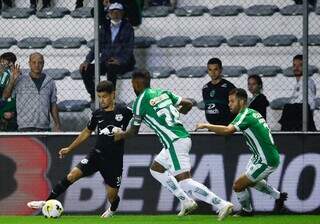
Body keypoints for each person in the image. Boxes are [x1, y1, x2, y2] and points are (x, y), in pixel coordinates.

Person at [114, 69, 234, 221]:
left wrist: (120, 135)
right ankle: (186, 202)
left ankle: (221, 204)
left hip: (173, 142)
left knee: (184, 181)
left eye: (132, 83)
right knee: (156, 169)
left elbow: (133, 132)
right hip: (180, 138)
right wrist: (180, 111)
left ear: (136, 84)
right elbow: (188, 104)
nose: (132, 86)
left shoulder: (139, 102)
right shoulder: (163, 92)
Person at [27, 80, 132, 218]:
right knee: (71, 176)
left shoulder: (124, 111)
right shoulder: (97, 114)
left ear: (113, 95)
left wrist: (125, 132)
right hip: (96, 155)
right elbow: (87, 132)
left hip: (114, 162)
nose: (101, 100)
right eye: (99, 97)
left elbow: (140, 120)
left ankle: (112, 209)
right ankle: (46, 202)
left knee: (112, 196)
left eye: (104, 96)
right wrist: (69, 149)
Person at [196, 88, 288, 216]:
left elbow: (228, 131)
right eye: (229, 101)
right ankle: (279, 197)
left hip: (266, 159)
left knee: (238, 185)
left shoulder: (245, 115)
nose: (229, 104)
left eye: (232, 101)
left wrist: (207, 125)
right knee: (251, 182)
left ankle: (247, 211)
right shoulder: (252, 113)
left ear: (242, 101)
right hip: (260, 156)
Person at [80, 2, 135, 102]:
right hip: (106, 61)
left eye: (118, 11)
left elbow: (129, 48)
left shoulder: (128, 28)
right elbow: (96, 47)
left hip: (123, 62)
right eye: (113, 11)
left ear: (122, 13)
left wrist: (120, 60)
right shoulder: (104, 28)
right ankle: (94, 96)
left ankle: (110, 97)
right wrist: (87, 61)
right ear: (108, 13)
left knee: (112, 68)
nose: (115, 14)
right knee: (85, 70)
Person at [3, 52, 61, 132]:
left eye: (40, 62)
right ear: (29, 64)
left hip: (44, 127)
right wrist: (12, 80)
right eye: (34, 62)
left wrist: (57, 124)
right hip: (24, 127)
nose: (37, 65)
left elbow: (53, 104)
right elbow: (5, 96)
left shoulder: (50, 81)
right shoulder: (20, 80)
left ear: (43, 64)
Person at [279, 54, 316, 131]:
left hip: (301, 118)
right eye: (294, 65)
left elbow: (311, 102)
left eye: (300, 65)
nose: (296, 68)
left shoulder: (307, 82)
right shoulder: (299, 83)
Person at [202, 58, 236, 126]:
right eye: (210, 70)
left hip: (226, 127)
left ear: (221, 70)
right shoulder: (205, 88)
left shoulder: (229, 87)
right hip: (212, 126)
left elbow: (236, 108)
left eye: (215, 69)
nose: (213, 72)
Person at [0, 52, 17, 131]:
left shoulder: (8, 73)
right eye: (1, 61)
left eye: (3, 61)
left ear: (11, 63)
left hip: (8, 103)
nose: (1, 63)